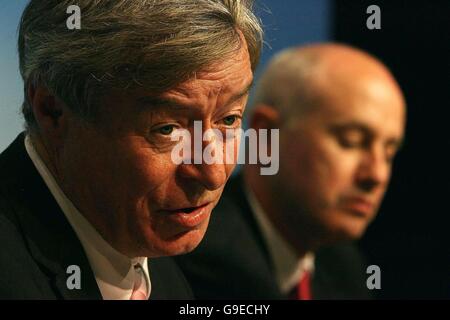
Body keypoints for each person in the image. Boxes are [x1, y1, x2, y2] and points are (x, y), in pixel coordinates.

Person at [0, 0, 262, 299]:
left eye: (228, 119)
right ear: (53, 110)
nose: (212, 173)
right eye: (167, 129)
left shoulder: (158, 257)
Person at [175, 43, 406, 299]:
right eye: (350, 140)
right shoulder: (199, 254)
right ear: (265, 136)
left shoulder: (343, 265)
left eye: (388, 153)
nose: (376, 175)